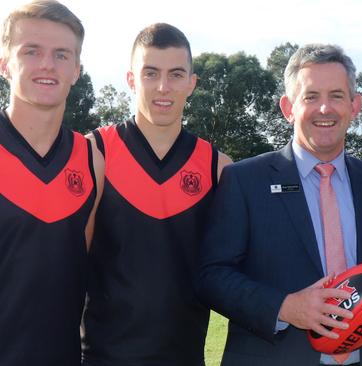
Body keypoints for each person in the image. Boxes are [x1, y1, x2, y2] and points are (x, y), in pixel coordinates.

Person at [196, 43, 362, 366]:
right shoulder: (244, 181)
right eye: (311, 96)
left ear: (355, 105)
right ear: (288, 107)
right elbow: (211, 275)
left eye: (336, 96)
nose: (324, 108)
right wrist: (287, 307)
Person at [80, 23, 231, 366]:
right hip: (103, 357)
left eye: (176, 74)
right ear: (132, 79)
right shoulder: (94, 152)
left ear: (192, 83)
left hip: (185, 357)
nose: (164, 87)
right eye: (151, 73)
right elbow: (67, 262)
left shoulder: (217, 167)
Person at [0, 1, 99, 365]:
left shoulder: (91, 160)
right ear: (5, 64)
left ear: (76, 70)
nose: (47, 64)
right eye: (31, 51)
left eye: (61, 54)